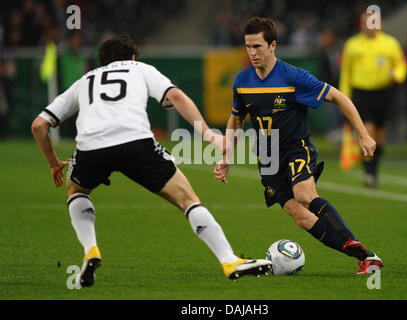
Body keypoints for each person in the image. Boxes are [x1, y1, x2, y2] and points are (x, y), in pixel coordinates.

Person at [31, 35, 271, 287]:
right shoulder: (140, 69)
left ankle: (90, 249)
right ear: (133, 57)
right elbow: (176, 97)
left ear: (101, 62)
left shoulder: (85, 80)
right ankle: (228, 259)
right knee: (187, 200)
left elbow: (39, 125)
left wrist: (53, 163)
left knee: (76, 190)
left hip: (91, 146)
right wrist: (210, 135)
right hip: (136, 142)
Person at [214, 17, 383, 275]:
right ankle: (363, 255)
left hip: (296, 148)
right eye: (248, 46)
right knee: (302, 217)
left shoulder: (293, 76)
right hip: (268, 158)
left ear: (273, 45)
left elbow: (338, 97)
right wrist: (226, 154)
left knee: (304, 194)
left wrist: (363, 135)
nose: (252, 52)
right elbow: (236, 119)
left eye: (257, 46)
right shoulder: (242, 81)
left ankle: (354, 244)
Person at [339, 12, 407, 188]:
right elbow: (346, 73)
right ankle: (368, 173)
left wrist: (397, 75)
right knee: (367, 131)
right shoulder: (352, 45)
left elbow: (401, 65)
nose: (370, 25)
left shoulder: (390, 43)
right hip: (362, 93)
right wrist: (344, 97)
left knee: (379, 136)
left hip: (383, 93)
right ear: (361, 24)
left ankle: (374, 171)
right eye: (367, 22)